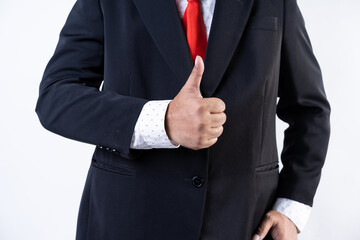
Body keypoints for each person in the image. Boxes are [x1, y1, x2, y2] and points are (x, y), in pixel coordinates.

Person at [35, 0, 331, 239]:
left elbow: (309, 109)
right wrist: (163, 122)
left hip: (243, 222)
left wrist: (291, 208)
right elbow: (56, 96)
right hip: (127, 220)